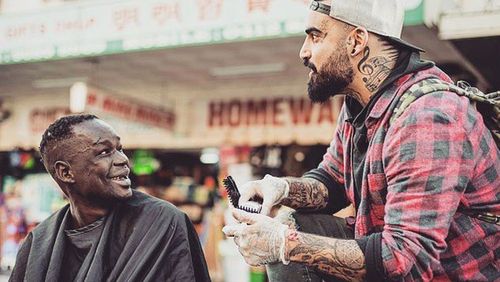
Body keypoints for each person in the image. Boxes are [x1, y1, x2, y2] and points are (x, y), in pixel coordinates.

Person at [223, 0, 500, 281]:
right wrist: (280, 189)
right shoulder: (359, 104)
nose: (304, 52)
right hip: (399, 257)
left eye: (315, 36)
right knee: (294, 223)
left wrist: (285, 243)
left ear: (356, 41)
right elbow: (333, 181)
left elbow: (403, 261)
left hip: (450, 274)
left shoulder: (428, 116)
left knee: (291, 236)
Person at [10, 114, 211, 282]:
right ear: (66, 172)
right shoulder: (37, 245)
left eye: (120, 149)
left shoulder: (162, 222)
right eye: (104, 152)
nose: (123, 160)